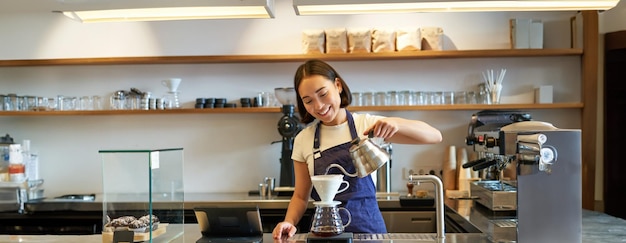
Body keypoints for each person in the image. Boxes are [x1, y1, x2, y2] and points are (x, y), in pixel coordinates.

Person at [272, 59, 442, 239]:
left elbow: (435, 136)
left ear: (337, 85)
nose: (318, 106)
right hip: (326, 234)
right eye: (308, 101)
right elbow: (300, 197)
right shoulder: (303, 139)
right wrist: (289, 222)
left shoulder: (366, 125)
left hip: (370, 233)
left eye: (322, 94)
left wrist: (395, 123)